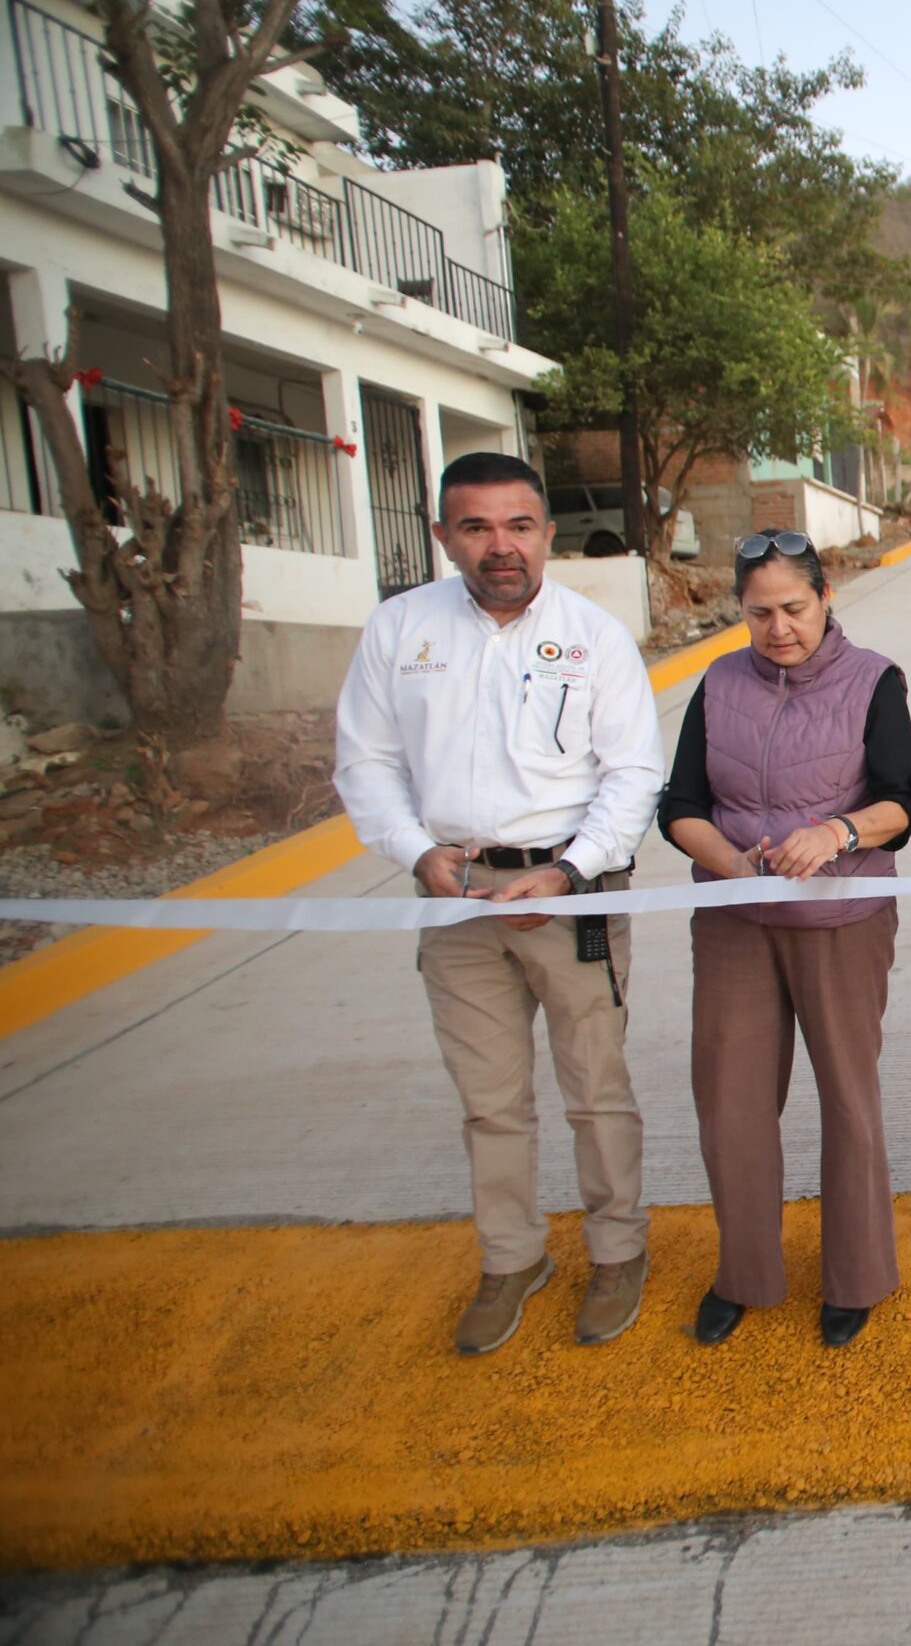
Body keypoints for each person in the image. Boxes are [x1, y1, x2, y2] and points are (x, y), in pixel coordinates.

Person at [333, 452, 663, 1355]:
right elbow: (365, 762)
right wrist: (419, 855)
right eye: (475, 527)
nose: (500, 546)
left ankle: (617, 1250)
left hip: (571, 892)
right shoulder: (399, 631)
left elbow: (634, 774)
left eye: (518, 526)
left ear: (548, 534)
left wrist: (568, 873)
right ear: (444, 535)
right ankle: (512, 1257)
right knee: (489, 1098)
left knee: (597, 1089)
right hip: (453, 896)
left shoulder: (594, 637)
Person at [659, 530, 911, 1348]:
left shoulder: (873, 680)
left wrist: (838, 832)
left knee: (849, 1099)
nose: (779, 629)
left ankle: (856, 1275)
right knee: (731, 1105)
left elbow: (902, 806)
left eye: (795, 609)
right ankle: (744, 1273)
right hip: (736, 923)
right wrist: (733, 866)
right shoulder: (717, 684)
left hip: (841, 922)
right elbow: (680, 807)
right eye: (760, 613)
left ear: (826, 597)